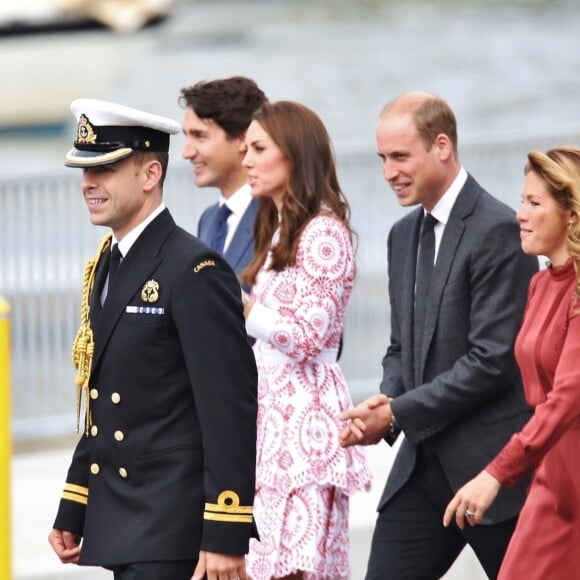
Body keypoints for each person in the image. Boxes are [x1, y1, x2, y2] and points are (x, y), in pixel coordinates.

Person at [48, 98, 258, 580]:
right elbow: (106, 401)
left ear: (150, 175)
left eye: (104, 169)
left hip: (172, 527)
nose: (88, 184)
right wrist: (74, 501)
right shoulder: (110, 261)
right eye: (84, 171)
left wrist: (226, 531)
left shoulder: (193, 269)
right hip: (125, 519)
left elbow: (228, 408)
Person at [339, 91, 539, 579]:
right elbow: (401, 348)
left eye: (400, 156)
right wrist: (384, 404)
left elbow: (491, 361)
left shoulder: (498, 230)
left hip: (492, 473)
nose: (388, 172)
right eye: (383, 158)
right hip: (421, 470)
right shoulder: (400, 236)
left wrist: (398, 411)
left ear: (442, 146)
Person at [239, 100, 372, 580]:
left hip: (305, 425)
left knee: (296, 569)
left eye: (258, 148)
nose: (246, 161)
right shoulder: (278, 231)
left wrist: (246, 308)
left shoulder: (323, 232)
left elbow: (309, 335)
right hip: (272, 423)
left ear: (293, 154)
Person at [444, 146, 580, 579]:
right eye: (522, 200)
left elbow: (566, 397)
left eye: (534, 203)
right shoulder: (541, 284)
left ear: (572, 216)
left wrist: (498, 472)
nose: (519, 213)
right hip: (551, 478)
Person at [179, 76, 268, 276]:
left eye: (200, 136)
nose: (186, 152)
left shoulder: (278, 217)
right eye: (187, 136)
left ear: (243, 139)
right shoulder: (208, 219)